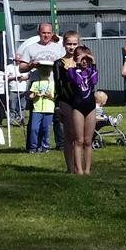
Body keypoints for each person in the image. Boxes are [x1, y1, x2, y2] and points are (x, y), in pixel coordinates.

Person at [17, 23, 66, 150]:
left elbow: (65, 66)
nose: (46, 35)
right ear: (39, 33)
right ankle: (33, 146)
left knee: (56, 117)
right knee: (35, 118)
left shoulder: (59, 48)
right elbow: (21, 68)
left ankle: (59, 144)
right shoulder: (30, 48)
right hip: (36, 86)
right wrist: (31, 65)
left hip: (54, 85)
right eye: (44, 33)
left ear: (52, 33)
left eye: (49, 33)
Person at [67, 46, 98, 174]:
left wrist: (94, 63)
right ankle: (79, 169)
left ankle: (87, 169)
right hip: (78, 107)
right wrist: (78, 64)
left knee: (88, 140)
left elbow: (95, 81)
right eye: (82, 58)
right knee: (78, 140)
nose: (85, 61)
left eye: (87, 58)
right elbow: (77, 81)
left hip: (90, 106)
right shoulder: (71, 71)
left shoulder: (91, 71)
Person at [53, 31, 79, 172]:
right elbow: (58, 85)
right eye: (69, 44)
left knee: (80, 137)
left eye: (75, 44)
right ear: (64, 44)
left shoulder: (82, 61)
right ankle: (70, 168)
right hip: (66, 100)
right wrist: (58, 106)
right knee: (70, 134)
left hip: (81, 101)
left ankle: (79, 166)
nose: (72, 47)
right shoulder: (58, 63)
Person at [28, 63, 55, 153]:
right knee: (34, 128)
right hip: (37, 109)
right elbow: (30, 96)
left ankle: (45, 147)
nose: (45, 72)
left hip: (49, 108)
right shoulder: (35, 83)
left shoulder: (52, 84)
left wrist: (50, 95)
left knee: (46, 129)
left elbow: (55, 97)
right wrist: (35, 94)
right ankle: (33, 147)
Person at [5, 54, 29, 126]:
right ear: (13, 60)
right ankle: (11, 121)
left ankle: (22, 120)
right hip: (13, 89)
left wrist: (24, 78)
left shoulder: (24, 67)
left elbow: (29, 76)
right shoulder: (9, 67)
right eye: (16, 60)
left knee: (23, 107)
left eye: (19, 60)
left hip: (23, 89)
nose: (17, 62)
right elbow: (5, 78)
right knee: (12, 107)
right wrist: (14, 78)